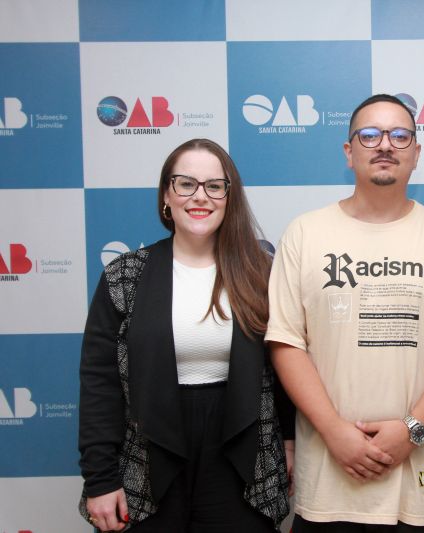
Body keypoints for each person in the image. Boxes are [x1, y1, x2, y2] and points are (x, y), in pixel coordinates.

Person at [266, 94, 424, 532]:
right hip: (330, 477)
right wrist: (333, 431)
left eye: (400, 135)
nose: (385, 144)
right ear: (349, 152)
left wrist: (412, 430)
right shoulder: (305, 233)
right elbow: (286, 342)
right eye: (369, 135)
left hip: (418, 476)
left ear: (416, 153)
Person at [78, 138, 292, 532]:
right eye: (186, 183)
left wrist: (290, 442)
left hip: (243, 454)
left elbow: (285, 365)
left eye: (214, 186)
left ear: (230, 196)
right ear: (166, 194)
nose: (200, 196)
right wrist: (100, 478)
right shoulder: (125, 276)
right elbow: (99, 384)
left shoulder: (262, 273)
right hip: (148, 455)